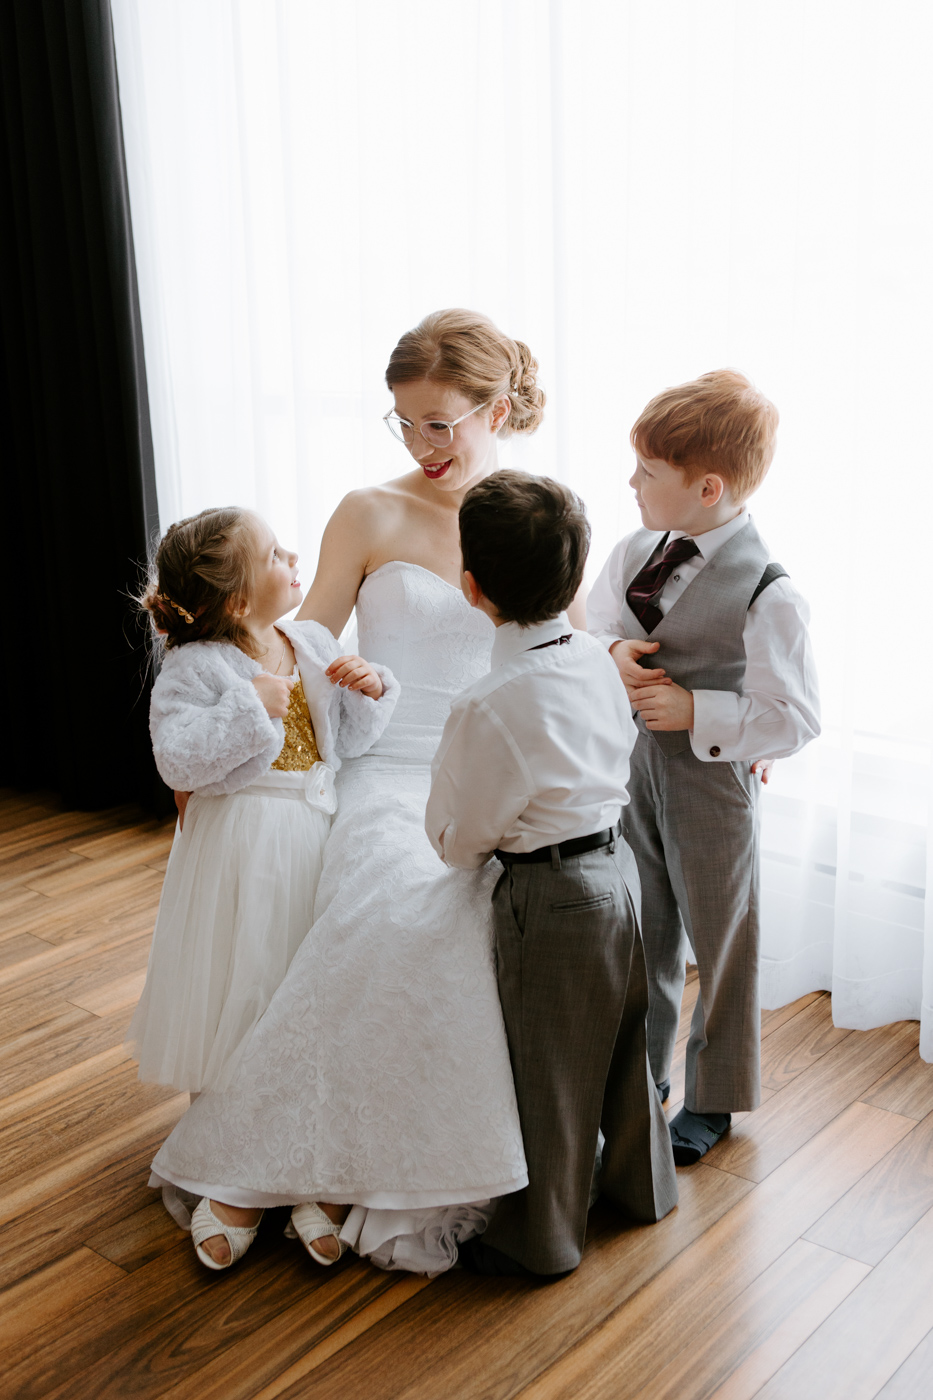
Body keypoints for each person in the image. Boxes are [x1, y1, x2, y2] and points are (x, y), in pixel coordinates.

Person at [148, 311, 550, 1273]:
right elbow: (289, 641)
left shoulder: (534, 512)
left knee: (482, 900)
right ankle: (261, 1166)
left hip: (496, 770)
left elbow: (566, 652)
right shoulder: (368, 511)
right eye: (403, 422)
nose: (421, 445)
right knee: (399, 900)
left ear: (496, 409)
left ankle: (349, 1162)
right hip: (385, 766)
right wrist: (206, 743)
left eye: (441, 423)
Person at [425, 471, 678, 1278]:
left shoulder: (489, 701)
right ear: (575, 576)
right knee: (622, 1044)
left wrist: (455, 836)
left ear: (471, 587)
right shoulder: (594, 662)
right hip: (619, 870)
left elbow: (460, 838)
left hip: (553, 892)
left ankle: (543, 1238)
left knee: (550, 1070)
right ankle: (642, 1191)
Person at [587, 370, 820, 1164]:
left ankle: (714, 1097)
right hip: (627, 773)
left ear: (708, 486)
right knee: (640, 930)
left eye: (648, 473)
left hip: (710, 785)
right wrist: (613, 652)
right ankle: (642, 1074)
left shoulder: (768, 592)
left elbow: (794, 717)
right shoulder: (631, 552)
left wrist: (700, 714)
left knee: (722, 939)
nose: (630, 483)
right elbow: (593, 626)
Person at [127, 506, 398, 1097]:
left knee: (304, 968)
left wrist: (370, 689)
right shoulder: (194, 667)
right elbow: (176, 759)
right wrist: (248, 706)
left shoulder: (311, 641)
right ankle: (227, 1112)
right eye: (275, 554)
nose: (294, 558)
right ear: (239, 603)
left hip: (319, 829)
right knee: (246, 971)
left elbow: (346, 741)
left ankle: (293, 1103)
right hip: (245, 841)